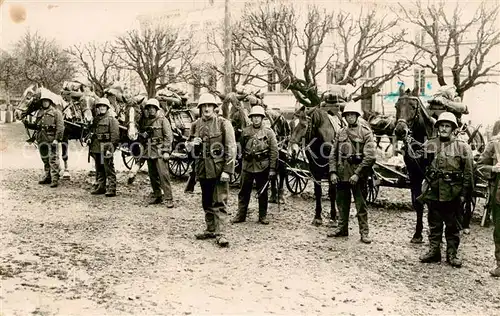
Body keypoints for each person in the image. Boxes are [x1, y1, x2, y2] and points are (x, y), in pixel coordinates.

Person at [417, 112, 473, 268]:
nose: (444, 128)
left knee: (452, 225)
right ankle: (434, 251)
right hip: (433, 190)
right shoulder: (429, 144)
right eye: (441, 125)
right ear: (437, 127)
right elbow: (419, 163)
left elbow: (468, 172)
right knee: (434, 223)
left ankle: (452, 254)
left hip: (452, 192)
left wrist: (463, 194)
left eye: (447, 126)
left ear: (453, 129)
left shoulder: (462, 147)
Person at [187, 93, 236, 247]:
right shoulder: (195, 125)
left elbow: (231, 148)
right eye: (204, 106)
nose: (206, 108)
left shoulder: (223, 124)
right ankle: (210, 229)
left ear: (215, 108)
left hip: (219, 169)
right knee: (206, 201)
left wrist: (227, 170)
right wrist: (192, 144)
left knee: (220, 201)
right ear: (200, 108)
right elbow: (188, 147)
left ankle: (221, 234)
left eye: (210, 106)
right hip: (202, 169)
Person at [328, 102, 376, 244]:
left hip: (358, 175)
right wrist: (333, 172)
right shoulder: (341, 132)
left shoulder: (365, 133)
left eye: (352, 115)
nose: (349, 118)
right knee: (342, 203)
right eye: (347, 115)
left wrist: (358, 173)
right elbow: (333, 154)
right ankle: (342, 228)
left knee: (361, 205)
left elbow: (370, 157)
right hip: (342, 174)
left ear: (357, 116)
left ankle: (364, 232)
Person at [231, 105, 278, 225]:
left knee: (263, 192)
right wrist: (239, 160)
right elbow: (240, 147)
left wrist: (272, 169)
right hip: (247, 166)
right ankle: (241, 215)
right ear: (251, 118)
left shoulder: (269, 132)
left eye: (258, 117)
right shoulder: (246, 131)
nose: (256, 119)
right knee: (244, 191)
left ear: (262, 118)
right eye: (254, 117)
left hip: (263, 166)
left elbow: (274, 151)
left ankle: (263, 216)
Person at [23, 91, 64, 188]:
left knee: (53, 159)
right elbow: (37, 126)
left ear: (50, 102)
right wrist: (27, 124)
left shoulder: (56, 113)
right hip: (41, 139)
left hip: (51, 139)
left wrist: (57, 139)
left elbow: (60, 127)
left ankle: (55, 179)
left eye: (46, 101)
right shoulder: (40, 112)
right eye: (43, 101)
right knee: (45, 159)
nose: (45, 103)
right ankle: (48, 176)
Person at [139, 98, 174, 207]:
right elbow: (142, 136)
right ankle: (157, 195)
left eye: (153, 108)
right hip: (149, 150)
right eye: (149, 108)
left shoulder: (163, 120)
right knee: (152, 175)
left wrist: (166, 151)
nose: (151, 110)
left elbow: (168, 137)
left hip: (160, 150)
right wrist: (143, 135)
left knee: (163, 174)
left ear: (156, 109)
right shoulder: (145, 121)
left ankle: (168, 198)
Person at [476, 119, 500, 277]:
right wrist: (493, 168)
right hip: (499, 195)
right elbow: (479, 166)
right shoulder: (495, 144)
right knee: (499, 230)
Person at [89, 98, 120, 197]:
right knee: (99, 168)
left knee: (108, 167)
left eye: (104, 106)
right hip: (97, 147)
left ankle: (111, 188)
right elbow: (93, 132)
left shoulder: (112, 119)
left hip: (106, 147)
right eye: (100, 106)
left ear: (107, 108)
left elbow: (115, 136)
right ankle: (101, 187)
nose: (102, 108)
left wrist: (110, 149)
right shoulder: (96, 119)